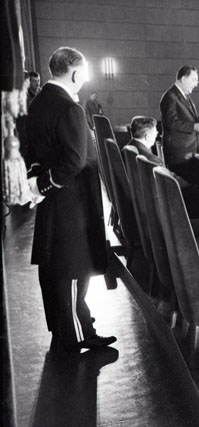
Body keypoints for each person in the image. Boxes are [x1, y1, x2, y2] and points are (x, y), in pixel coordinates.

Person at [25, 47, 116, 352]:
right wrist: (45, 185)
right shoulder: (69, 108)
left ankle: (65, 328)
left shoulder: (39, 102)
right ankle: (77, 335)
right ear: (75, 73)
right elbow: (75, 160)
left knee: (55, 269)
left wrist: (38, 183)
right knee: (74, 269)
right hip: (72, 203)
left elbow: (31, 150)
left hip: (52, 202)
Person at [160, 65, 199, 186]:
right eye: (194, 80)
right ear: (183, 79)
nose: (196, 84)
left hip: (188, 152)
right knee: (187, 190)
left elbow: (187, 118)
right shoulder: (170, 97)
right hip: (179, 155)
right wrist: (193, 127)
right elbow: (171, 122)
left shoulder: (184, 96)